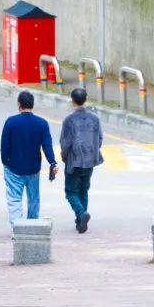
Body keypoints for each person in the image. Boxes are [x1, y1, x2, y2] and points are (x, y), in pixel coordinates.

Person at [0, 90, 57, 224]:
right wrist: (52, 162)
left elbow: (5, 145)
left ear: (19, 105)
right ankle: (32, 224)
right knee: (33, 198)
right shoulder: (42, 123)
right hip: (33, 168)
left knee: (14, 198)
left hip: (14, 167)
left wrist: (5, 161)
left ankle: (17, 226)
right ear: (32, 105)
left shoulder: (11, 122)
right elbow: (47, 145)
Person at [59, 87, 103, 234]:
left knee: (70, 191)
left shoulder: (69, 120)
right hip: (90, 161)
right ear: (86, 100)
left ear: (72, 101)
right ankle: (80, 220)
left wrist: (65, 158)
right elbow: (99, 139)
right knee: (84, 190)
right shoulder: (95, 119)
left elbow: (65, 143)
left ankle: (81, 213)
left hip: (74, 161)